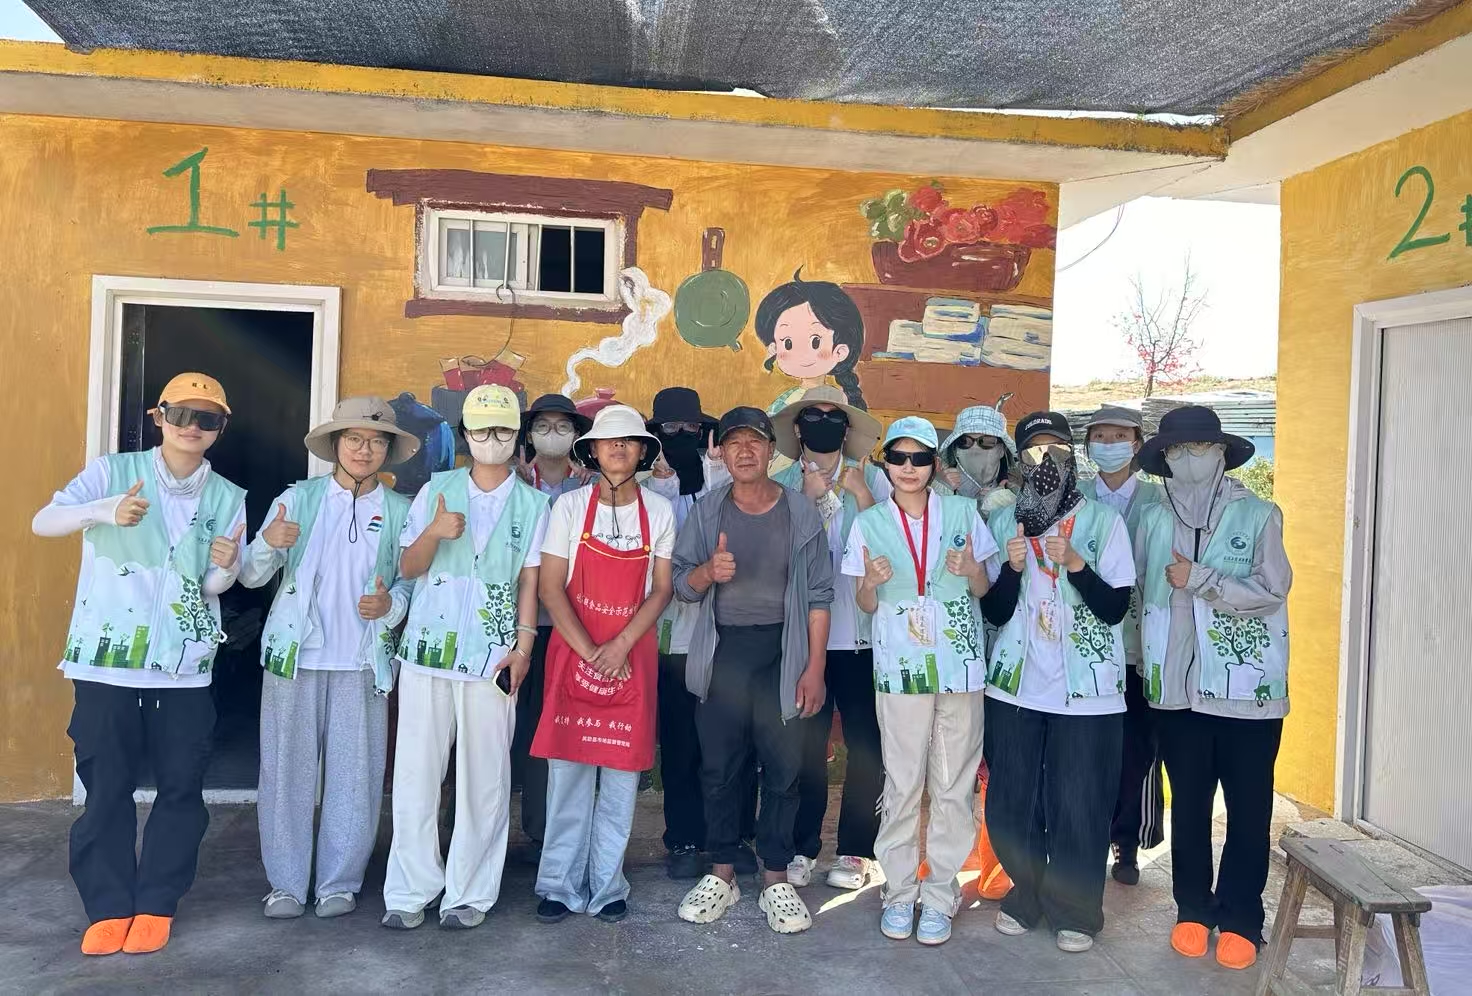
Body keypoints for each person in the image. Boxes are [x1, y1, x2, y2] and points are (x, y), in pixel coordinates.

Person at [33, 372, 247, 957]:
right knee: (106, 787)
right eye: (181, 414)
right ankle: (107, 907)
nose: (192, 427)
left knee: (182, 787)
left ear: (220, 428)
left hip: (184, 667)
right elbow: (44, 521)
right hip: (107, 664)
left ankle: (157, 902)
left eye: (207, 419)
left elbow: (210, 584)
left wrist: (229, 565)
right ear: (159, 417)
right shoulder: (111, 472)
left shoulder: (229, 496)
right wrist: (104, 511)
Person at [241, 397, 419, 920]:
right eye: (355, 439)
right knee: (284, 774)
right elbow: (251, 575)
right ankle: (286, 885)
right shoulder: (297, 500)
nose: (365, 450)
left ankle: (340, 882)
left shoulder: (401, 511)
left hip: (362, 662)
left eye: (376, 441)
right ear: (337, 444)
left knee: (356, 777)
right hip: (294, 658)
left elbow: (410, 582)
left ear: (388, 450)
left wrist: (390, 607)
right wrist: (268, 543)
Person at [381, 385, 549, 931]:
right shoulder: (438, 490)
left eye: (502, 431)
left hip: (493, 657)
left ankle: (469, 892)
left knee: (486, 778)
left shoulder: (534, 504)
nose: (491, 440)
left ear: (516, 437)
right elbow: (408, 567)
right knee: (416, 775)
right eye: (480, 430)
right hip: (426, 652)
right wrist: (434, 532)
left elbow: (530, 584)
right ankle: (410, 889)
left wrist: (524, 648)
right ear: (465, 435)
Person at [1133, 405, 1292, 972]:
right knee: (1190, 809)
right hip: (1177, 695)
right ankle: (1193, 910)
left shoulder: (1258, 514)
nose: (1188, 458)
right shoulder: (1153, 518)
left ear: (1222, 453)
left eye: (1200, 447)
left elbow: (1273, 590)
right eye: (1176, 450)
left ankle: (1242, 917)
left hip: (1247, 694)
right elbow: (1139, 595)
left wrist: (1202, 579)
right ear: (1164, 459)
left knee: (1248, 811)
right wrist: (1142, 667)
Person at [979, 411, 1136, 954]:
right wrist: (1010, 570)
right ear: (1018, 461)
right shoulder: (1005, 522)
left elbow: (1115, 608)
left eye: (1057, 451)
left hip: (1087, 691)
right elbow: (995, 611)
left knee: (1079, 803)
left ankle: (1075, 910)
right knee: (1012, 801)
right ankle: (1026, 894)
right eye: (1032, 452)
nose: (1045, 462)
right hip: (1015, 686)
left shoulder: (1103, 523)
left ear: (1073, 457)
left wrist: (1076, 565)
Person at [672, 407, 833, 935]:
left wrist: (814, 667)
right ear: (720, 451)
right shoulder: (708, 510)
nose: (744, 451)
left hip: (783, 654)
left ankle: (776, 878)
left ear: (771, 450)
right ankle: (722, 872)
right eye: (734, 442)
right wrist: (706, 572)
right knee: (719, 767)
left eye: (755, 442)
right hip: (724, 651)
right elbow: (680, 584)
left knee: (783, 769)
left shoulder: (800, 512)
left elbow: (819, 597)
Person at [846, 417, 998, 946]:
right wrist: (870, 583)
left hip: (959, 666)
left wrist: (972, 569)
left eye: (919, 458)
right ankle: (898, 891)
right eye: (898, 457)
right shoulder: (868, 523)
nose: (908, 468)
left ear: (934, 464)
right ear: (886, 463)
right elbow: (865, 604)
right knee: (903, 781)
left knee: (954, 783)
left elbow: (983, 588)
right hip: (900, 669)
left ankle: (939, 893)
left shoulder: (962, 512)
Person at [531, 404, 676, 924]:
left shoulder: (660, 511)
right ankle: (559, 885)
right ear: (592, 450)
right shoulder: (569, 508)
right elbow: (550, 588)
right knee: (568, 777)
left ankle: (608, 885)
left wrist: (619, 647)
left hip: (632, 657)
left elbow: (661, 590)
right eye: (609, 440)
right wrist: (592, 651)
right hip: (574, 655)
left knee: (619, 779)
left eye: (629, 441)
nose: (618, 448)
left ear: (642, 451)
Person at [770, 385, 888, 892]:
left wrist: (862, 498)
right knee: (803, 747)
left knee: (866, 747)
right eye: (812, 418)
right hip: (802, 639)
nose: (822, 426)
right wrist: (805, 501)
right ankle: (801, 846)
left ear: (847, 429)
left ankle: (857, 851)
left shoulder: (875, 480)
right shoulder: (779, 484)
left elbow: (895, 547)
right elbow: (773, 556)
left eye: (832, 418)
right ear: (797, 430)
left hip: (864, 639)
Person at [641, 387, 757, 881]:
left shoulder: (729, 487)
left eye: (693, 429)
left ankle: (732, 838)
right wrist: (665, 486)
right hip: (672, 642)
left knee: (735, 744)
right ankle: (684, 839)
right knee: (681, 745)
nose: (683, 437)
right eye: (671, 430)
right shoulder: (645, 493)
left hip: (729, 637)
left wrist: (715, 475)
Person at [935, 402, 1019, 902]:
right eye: (966, 443)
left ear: (1004, 453)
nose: (977, 453)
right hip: (948, 645)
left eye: (988, 444)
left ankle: (994, 860)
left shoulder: (1021, 506)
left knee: (999, 760)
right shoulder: (935, 501)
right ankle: (942, 858)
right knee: (946, 757)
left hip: (1005, 645)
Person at [1082, 405, 1166, 887]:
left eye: (1119, 436)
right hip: (1088, 647)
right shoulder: (1077, 497)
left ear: (1136, 444)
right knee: (1091, 749)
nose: (1109, 444)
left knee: (1137, 752)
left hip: (1139, 648)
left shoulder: (1159, 499)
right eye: (1100, 436)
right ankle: (1089, 834)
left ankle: (1127, 841)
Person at [510, 393, 592, 858]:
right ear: (529, 434)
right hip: (515, 625)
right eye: (543, 426)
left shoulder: (590, 487)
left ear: (577, 435)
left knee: (553, 725)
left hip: (567, 626)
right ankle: (473, 828)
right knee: (501, 725)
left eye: (563, 427)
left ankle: (542, 829)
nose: (553, 435)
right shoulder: (513, 482)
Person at [936, 402, 1018, 519]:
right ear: (956, 450)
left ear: (1002, 450)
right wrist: (942, 494)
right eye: (965, 441)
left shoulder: (1017, 488)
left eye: (987, 441)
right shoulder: (936, 486)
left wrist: (1004, 509)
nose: (975, 447)